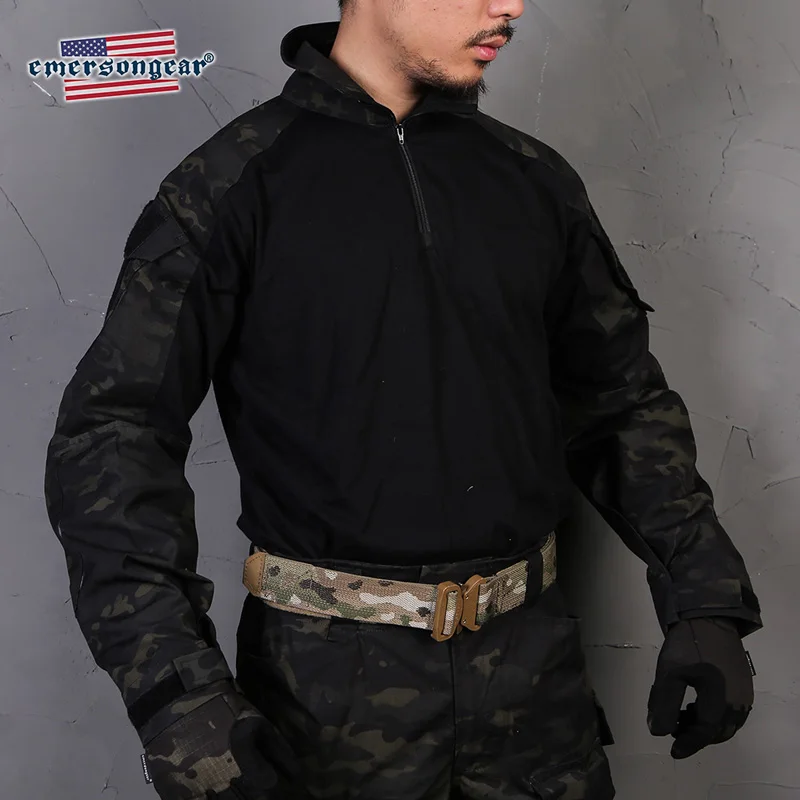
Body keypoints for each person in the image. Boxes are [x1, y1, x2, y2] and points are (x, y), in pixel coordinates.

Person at [43, 2, 763, 798]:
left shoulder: (534, 180)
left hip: (537, 701)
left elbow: (620, 402)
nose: (509, 6)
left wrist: (703, 595)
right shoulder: (231, 185)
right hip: (324, 709)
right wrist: (175, 693)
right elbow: (114, 432)